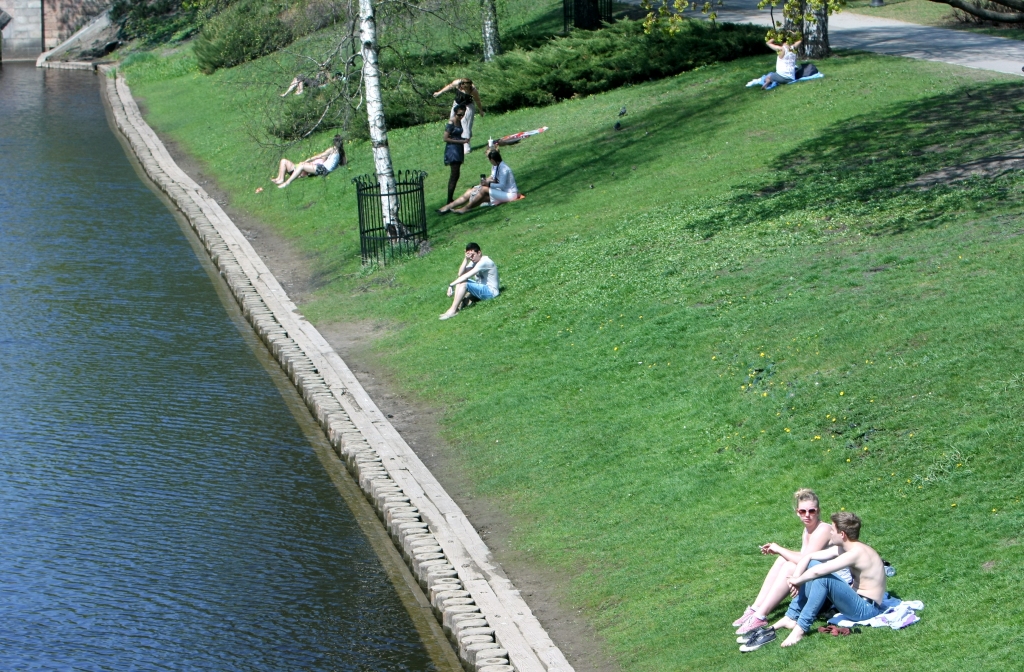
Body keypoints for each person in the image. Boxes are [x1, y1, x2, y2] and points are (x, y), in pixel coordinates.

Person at [774, 512, 887, 647]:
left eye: (832, 530)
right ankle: (791, 617)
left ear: (842, 534)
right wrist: (796, 577)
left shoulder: (856, 553)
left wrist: (797, 581)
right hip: (856, 599)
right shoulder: (846, 547)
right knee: (814, 563)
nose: (830, 533)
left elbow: (820, 571)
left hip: (866, 609)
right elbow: (809, 557)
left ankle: (801, 628)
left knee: (823, 578)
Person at [733, 489, 836, 636]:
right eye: (802, 511)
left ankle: (760, 616)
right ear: (797, 512)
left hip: (827, 588)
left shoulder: (823, 529)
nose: (807, 515)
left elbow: (804, 560)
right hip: (816, 579)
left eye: (811, 511)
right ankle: (756, 608)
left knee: (789, 565)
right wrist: (779, 552)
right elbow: (804, 557)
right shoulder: (808, 530)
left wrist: (779, 548)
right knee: (783, 559)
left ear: (818, 511)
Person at [438, 150, 517, 214]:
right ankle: (448, 207)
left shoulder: (504, 169)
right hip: (501, 192)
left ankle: (465, 208)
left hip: (509, 194)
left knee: (483, 190)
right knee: (472, 191)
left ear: (492, 160)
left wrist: (488, 184)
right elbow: (494, 178)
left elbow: (502, 185)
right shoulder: (496, 166)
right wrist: (482, 184)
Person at [439, 242, 499, 320]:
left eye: (472, 255)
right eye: (469, 256)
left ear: (479, 252)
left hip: (491, 292)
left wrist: (451, 285)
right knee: (460, 282)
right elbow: (461, 274)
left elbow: (467, 276)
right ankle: (455, 307)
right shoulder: (474, 261)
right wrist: (465, 259)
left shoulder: (484, 262)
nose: (471, 258)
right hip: (482, 288)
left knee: (464, 283)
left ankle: (453, 310)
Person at [271, 134, 346, 189]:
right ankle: (281, 179)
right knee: (300, 165)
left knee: (302, 166)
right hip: (324, 169)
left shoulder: (333, 149)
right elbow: (340, 163)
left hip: (323, 169)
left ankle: (287, 183)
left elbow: (319, 156)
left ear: (334, 142)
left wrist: (308, 159)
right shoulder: (340, 152)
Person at [433, 78, 484, 155]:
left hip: (468, 105)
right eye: (464, 87)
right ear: (462, 85)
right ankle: (454, 141)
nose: (466, 89)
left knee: (465, 123)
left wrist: (481, 110)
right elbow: (449, 86)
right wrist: (439, 92)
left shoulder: (473, 90)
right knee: (452, 121)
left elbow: (477, 100)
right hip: (457, 103)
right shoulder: (457, 83)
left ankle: (466, 147)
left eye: (467, 87)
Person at [441, 105, 470, 208]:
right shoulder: (451, 122)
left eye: (463, 114)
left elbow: (456, 135)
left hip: (458, 149)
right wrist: (461, 141)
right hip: (452, 150)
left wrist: (464, 139)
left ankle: (450, 198)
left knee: (456, 175)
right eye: (459, 114)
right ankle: (449, 199)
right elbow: (445, 138)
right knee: (454, 175)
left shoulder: (459, 121)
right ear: (455, 112)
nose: (461, 116)